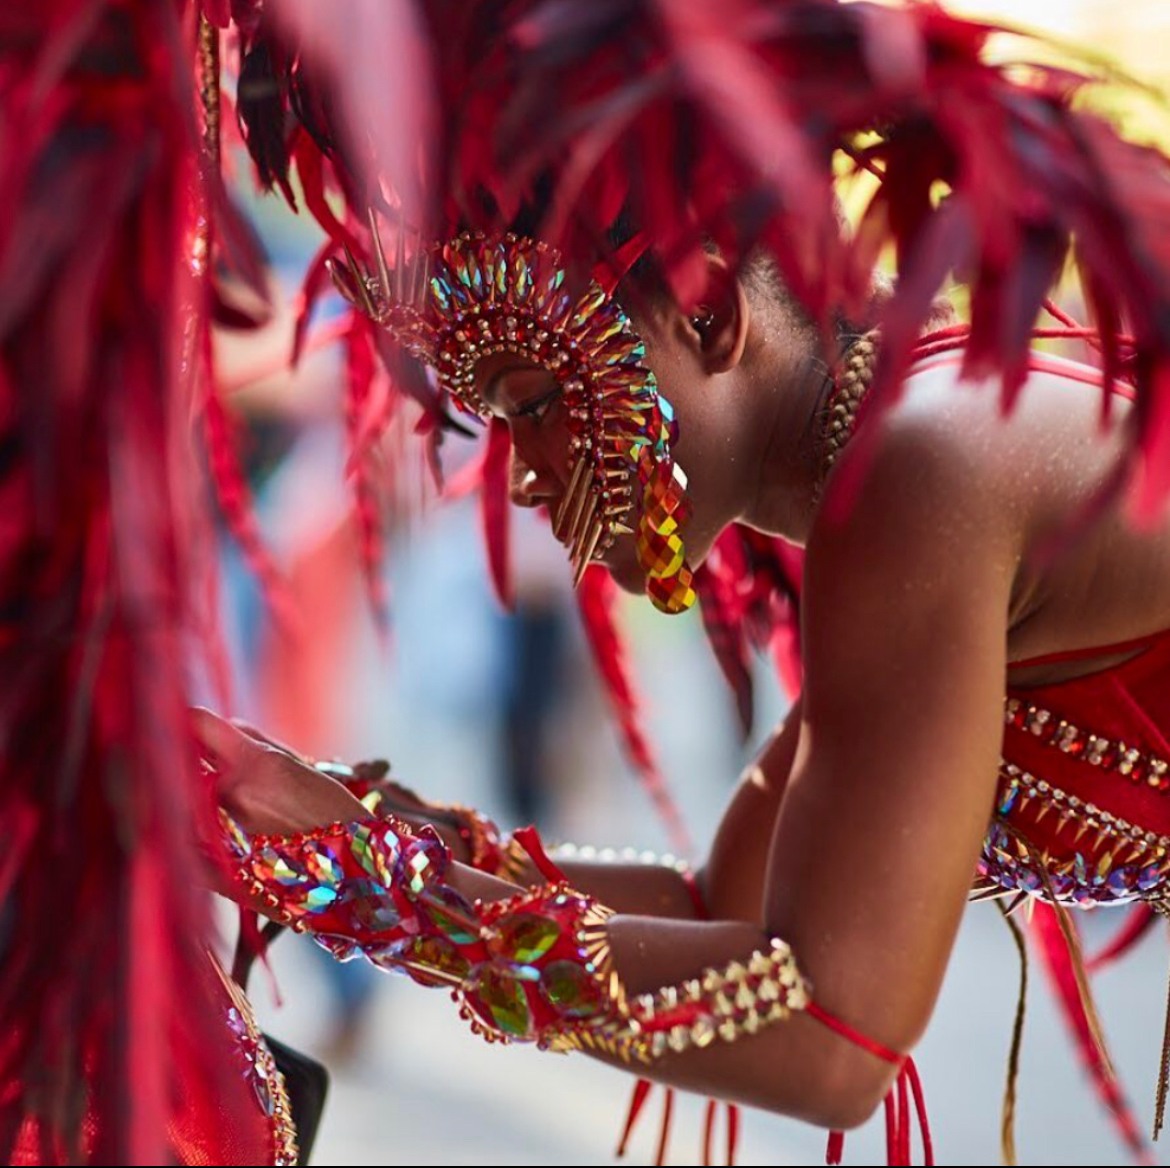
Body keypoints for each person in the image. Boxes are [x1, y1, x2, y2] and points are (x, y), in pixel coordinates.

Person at [194, 3, 1170, 1166]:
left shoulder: (927, 469)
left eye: (535, 404)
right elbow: (720, 908)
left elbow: (827, 1033)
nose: (516, 480)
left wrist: (368, 877)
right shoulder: (899, 465)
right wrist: (326, 819)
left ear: (709, 315)